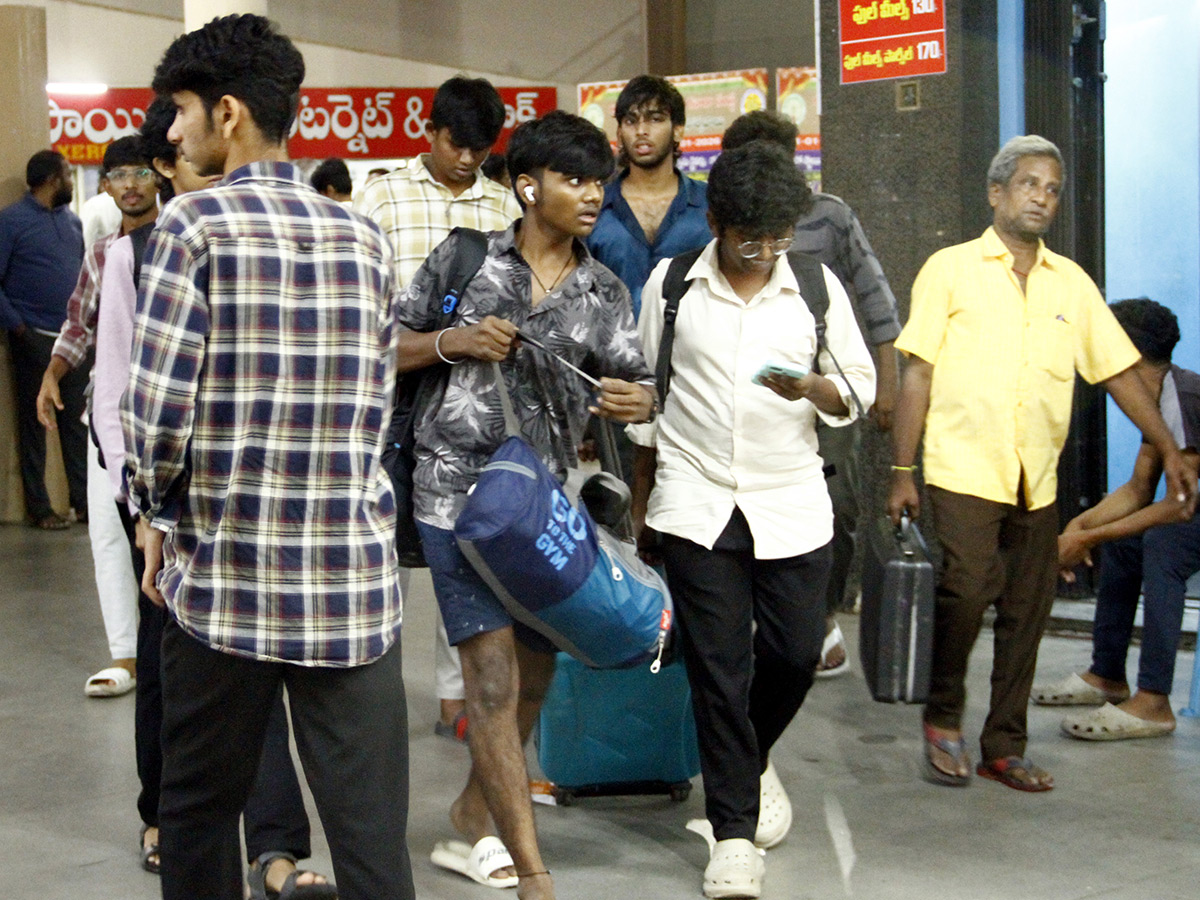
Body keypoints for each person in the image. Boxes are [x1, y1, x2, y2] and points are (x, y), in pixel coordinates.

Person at [123, 15, 412, 900]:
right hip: (352, 587)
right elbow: (374, 411)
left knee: (200, 816)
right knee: (371, 844)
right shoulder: (362, 238)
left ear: (230, 113)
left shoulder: (192, 227)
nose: (171, 133)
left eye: (180, 112)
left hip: (229, 582)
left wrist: (154, 513)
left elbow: (158, 415)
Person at [887, 135, 1197, 793]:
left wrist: (1170, 448)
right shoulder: (951, 269)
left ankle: (1005, 744)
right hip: (962, 467)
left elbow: (1118, 374)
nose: (1042, 198)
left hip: (1037, 476)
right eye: (1029, 184)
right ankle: (943, 720)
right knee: (968, 592)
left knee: (1029, 608)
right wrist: (901, 471)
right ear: (997, 193)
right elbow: (917, 374)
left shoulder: (1072, 284)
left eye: (1053, 189)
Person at [399, 110, 654, 900]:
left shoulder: (604, 289)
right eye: (575, 180)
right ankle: (534, 871)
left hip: (539, 505)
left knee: (539, 664)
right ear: (527, 186)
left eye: (598, 182)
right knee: (494, 681)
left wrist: (632, 401)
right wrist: (457, 341)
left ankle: (476, 811)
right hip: (453, 495)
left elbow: (642, 385)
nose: (591, 195)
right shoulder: (467, 259)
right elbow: (388, 346)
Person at [629, 140, 875, 899]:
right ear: (715, 221)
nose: (766, 251)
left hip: (791, 500)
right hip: (697, 503)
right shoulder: (672, 286)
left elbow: (859, 389)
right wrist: (643, 514)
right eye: (752, 237)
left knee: (797, 655)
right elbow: (647, 395)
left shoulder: (814, 286)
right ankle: (733, 837)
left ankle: (747, 758)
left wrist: (815, 389)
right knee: (716, 669)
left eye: (778, 237)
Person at [356, 74, 522, 741]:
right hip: (391, 396)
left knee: (465, 547)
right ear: (431, 130)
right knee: (380, 545)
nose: (465, 159)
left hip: (473, 408)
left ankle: (457, 696)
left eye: (479, 148)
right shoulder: (381, 196)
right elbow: (361, 306)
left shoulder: (505, 206)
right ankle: (368, 687)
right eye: (456, 143)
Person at [721, 109, 902, 678]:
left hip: (822, 388)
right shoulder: (720, 226)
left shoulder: (832, 218)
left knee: (837, 505)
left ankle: (819, 615)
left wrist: (885, 385)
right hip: (739, 394)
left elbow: (876, 301)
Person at [1032, 297, 1200, 740]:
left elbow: (1177, 506)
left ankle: (1154, 702)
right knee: (1126, 543)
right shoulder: (1157, 398)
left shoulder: (1182, 396)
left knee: (1165, 545)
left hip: (1191, 513)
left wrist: (1088, 538)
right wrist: (1079, 529)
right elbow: (1138, 490)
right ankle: (1107, 676)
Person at [34, 137, 156, 697]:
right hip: (105, 414)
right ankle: (125, 655)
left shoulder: (182, 241)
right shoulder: (102, 253)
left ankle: (178, 647)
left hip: (165, 415)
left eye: (139, 172)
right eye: (118, 175)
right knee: (107, 535)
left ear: (158, 175)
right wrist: (54, 373)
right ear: (104, 186)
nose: (130, 183)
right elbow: (78, 324)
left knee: (166, 533)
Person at [0, 149, 86, 529]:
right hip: (32, 337)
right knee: (34, 426)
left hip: (72, 342)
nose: (70, 180)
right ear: (52, 178)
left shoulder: (72, 222)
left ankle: (82, 503)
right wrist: (19, 327)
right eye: (67, 173)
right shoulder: (12, 222)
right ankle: (40, 508)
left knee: (76, 424)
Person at [586, 74, 710, 321]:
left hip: (691, 352)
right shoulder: (593, 205)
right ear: (619, 133)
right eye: (631, 121)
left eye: (655, 119)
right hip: (613, 352)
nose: (641, 131)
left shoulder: (711, 203)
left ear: (678, 130)